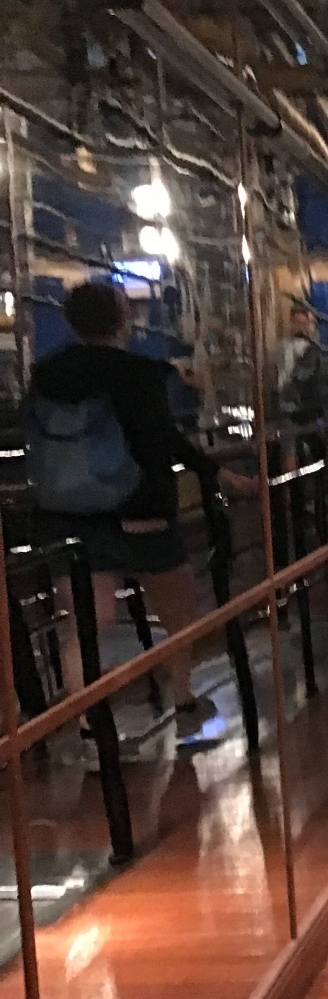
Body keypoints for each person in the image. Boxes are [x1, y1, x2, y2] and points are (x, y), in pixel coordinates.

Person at [22, 280, 251, 737]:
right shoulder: (140, 373)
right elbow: (161, 438)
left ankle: (90, 727)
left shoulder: (45, 374)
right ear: (122, 319)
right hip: (140, 509)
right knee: (178, 609)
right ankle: (182, 699)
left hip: (68, 515)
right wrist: (217, 473)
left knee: (87, 625)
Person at [272, 301, 328, 432]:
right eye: (298, 323)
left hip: (302, 409)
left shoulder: (315, 351)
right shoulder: (287, 348)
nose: (301, 327)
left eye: (303, 323)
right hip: (304, 409)